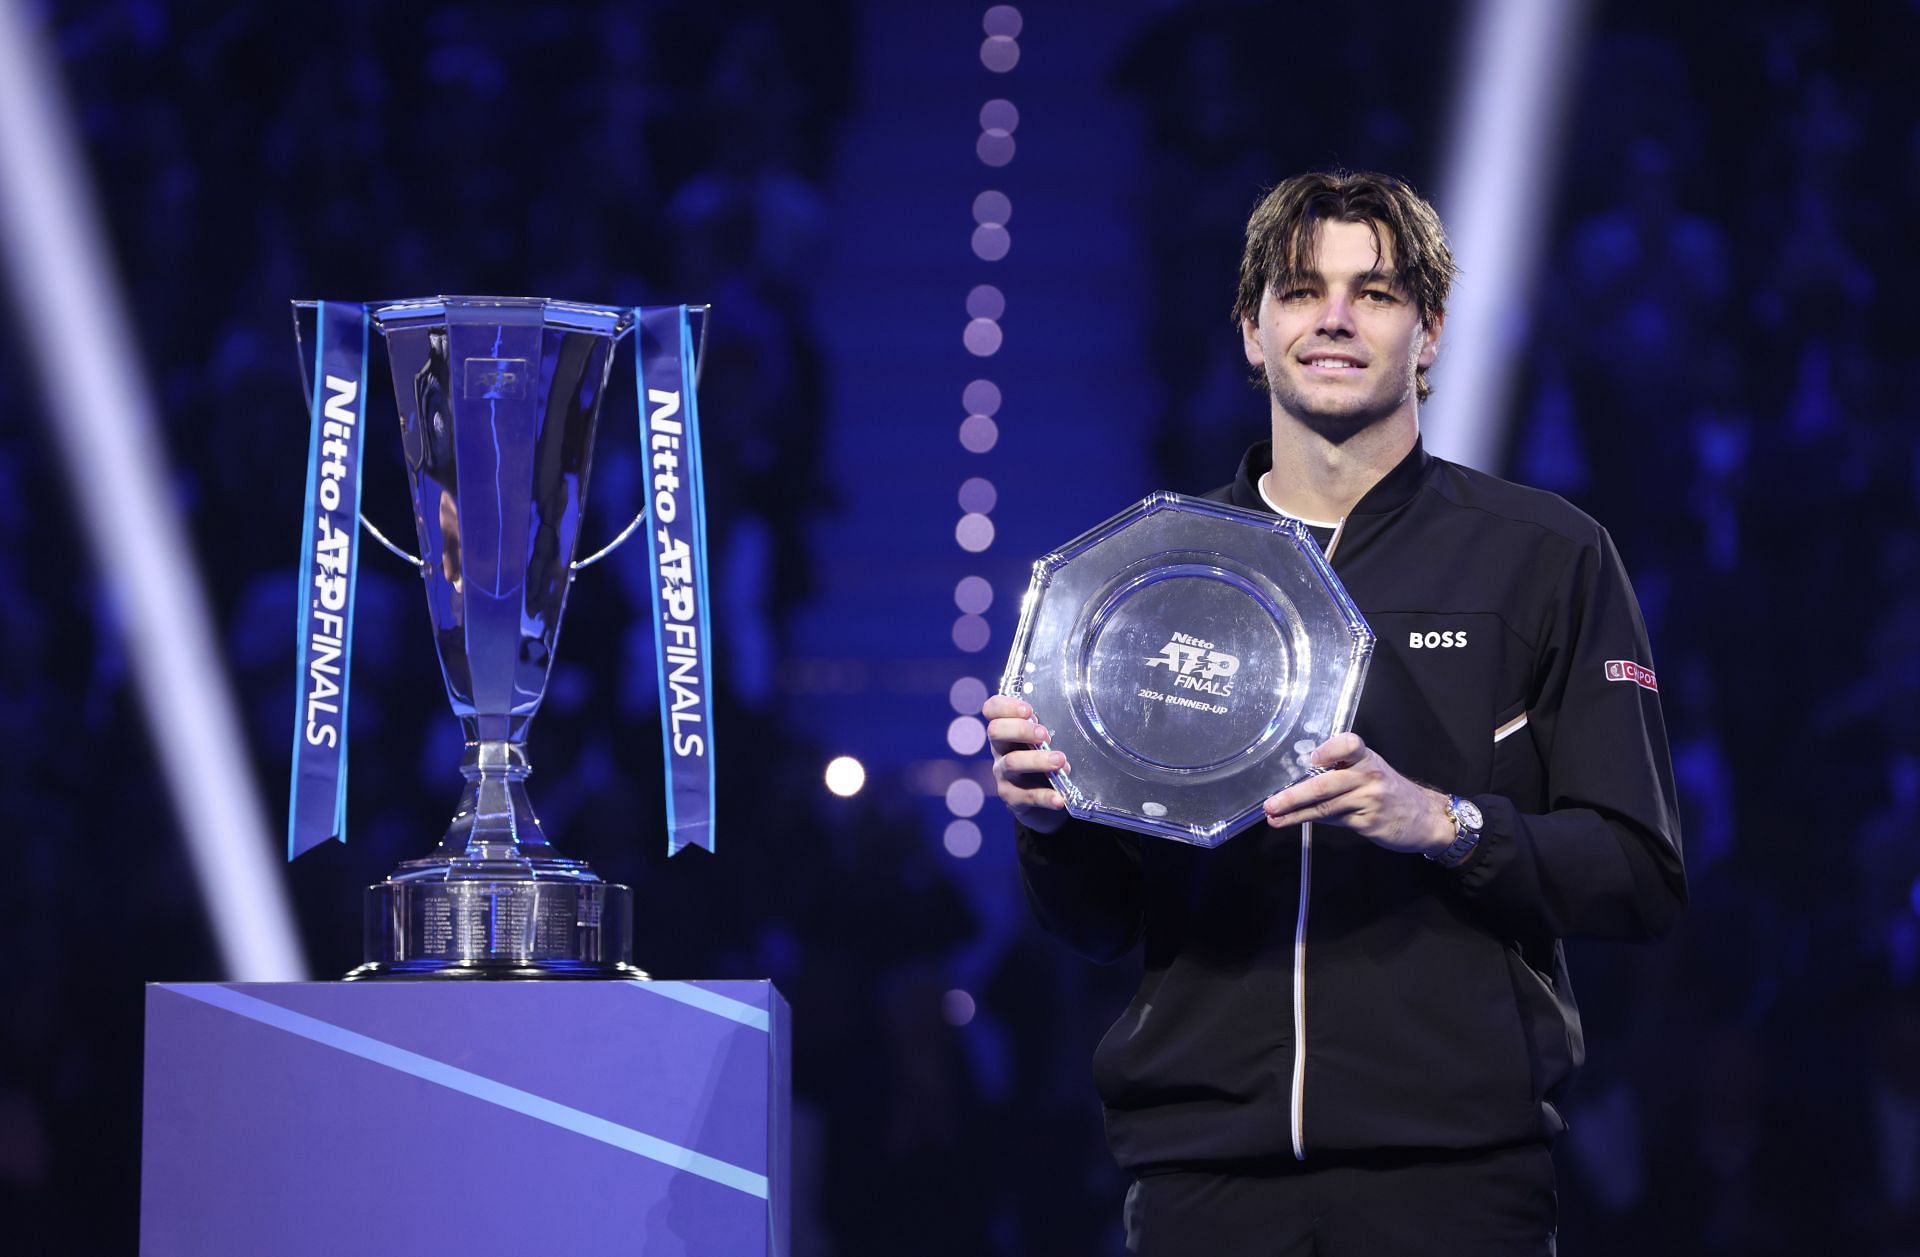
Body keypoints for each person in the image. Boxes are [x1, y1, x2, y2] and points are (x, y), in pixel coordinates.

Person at [985, 170, 1686, 1257]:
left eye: (1377, 291)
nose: (1336, 318)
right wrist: (1047, 828)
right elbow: (1103, 923)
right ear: (1253, 332)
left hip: (1454, 1176)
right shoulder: (1155, 572)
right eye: (1303, 290)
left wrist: (1445, 825)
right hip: (1201, 1172)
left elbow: (1637, 872)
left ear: (1431, 335)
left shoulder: (1544, 555)